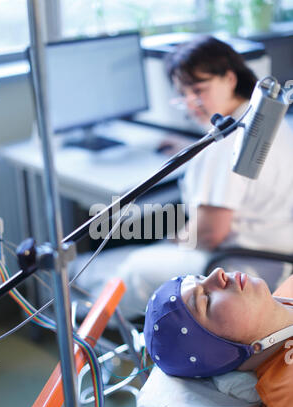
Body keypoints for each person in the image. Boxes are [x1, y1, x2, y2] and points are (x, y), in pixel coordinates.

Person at [116, 35, 293, 320]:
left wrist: (173, 240)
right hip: (278, 258)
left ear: (230, 78)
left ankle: (95, 327)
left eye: (199, 89)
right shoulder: (270, 120)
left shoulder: (226, 147)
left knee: (130, 267)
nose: (190, 103)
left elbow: (211, 233)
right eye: (182, 94)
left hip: (237, 268)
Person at [144, 267, 293, 407]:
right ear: (221, 350)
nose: (218, 273)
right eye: (206, 300)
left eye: (202, 278)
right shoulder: (288, 396)